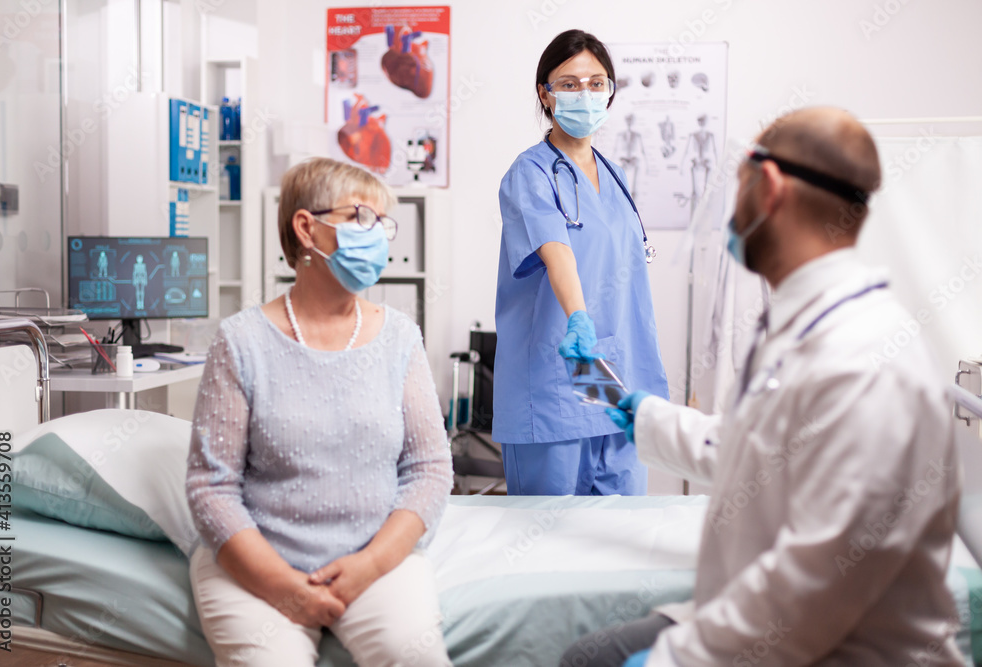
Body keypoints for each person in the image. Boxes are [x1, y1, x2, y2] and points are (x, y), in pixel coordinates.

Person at [561, 107, 963, 666]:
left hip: (843, 646)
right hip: (782, 623)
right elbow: (754, 454)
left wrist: (672, 658)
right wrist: (637, 411)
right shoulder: (801, 323)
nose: (731, 210)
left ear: (768, 185)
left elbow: (815, 586)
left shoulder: (864, 359)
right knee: (590, 656)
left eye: (738, 188)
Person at [186, 157, 454, 667]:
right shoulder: (241, 342)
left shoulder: (399, 338)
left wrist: (370, 564)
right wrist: (283, 586)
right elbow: (210, 487)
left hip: (375, 559)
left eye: (382, 224)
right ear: (307, 228)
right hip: (258, 564)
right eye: (360, 219)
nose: (377, 237)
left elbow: (430, 470)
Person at [494, 29, 668, 496]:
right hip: (558, 376)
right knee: (547, 545)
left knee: (621, 542)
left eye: (596, 83)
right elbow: (557, 251)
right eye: (569, 84)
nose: (584, 94)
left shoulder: (613, 174)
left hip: (615, 383)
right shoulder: (529, 173)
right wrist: (578, 317)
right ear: (545, 95)